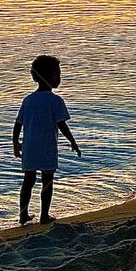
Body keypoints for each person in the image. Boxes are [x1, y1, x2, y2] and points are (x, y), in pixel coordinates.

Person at [12, 55, 81, 224]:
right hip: (47, 148)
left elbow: (17, 124)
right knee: (47, 181)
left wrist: (16, 144)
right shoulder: (55, 100)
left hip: (29, 148)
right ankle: (44, 215)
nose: (59, 78)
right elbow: (62, 125)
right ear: (49, 76)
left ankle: (23, 214)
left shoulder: (28, 100)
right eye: (57, 74)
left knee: (28, 181)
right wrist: (73, 142)